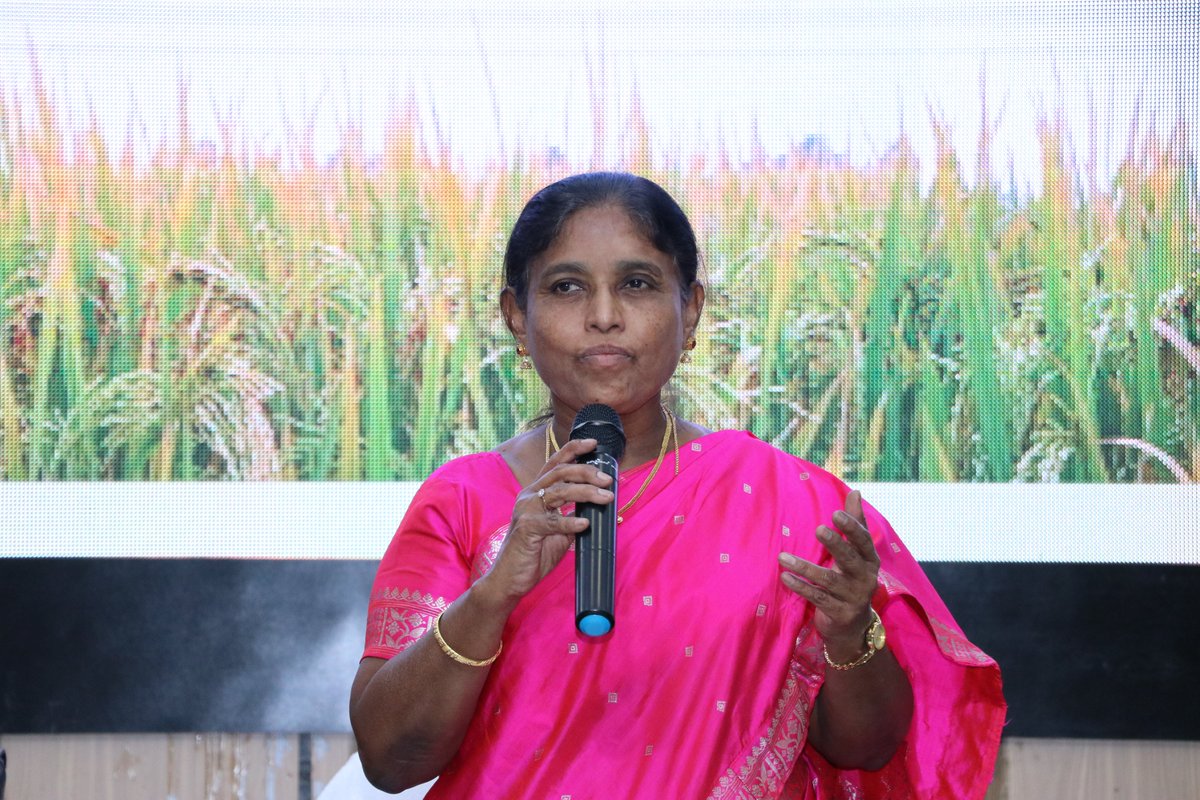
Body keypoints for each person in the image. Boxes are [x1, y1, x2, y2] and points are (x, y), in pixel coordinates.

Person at [350, 172, 1005, 799]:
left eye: (636, 283)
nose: (603, 316)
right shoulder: (462, 504)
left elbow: (866, 749)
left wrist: (849, 632)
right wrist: (492, 598)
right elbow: (388, 759)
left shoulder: (793, 504)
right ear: (518, 319)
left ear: (688, 309)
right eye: (567, 287)